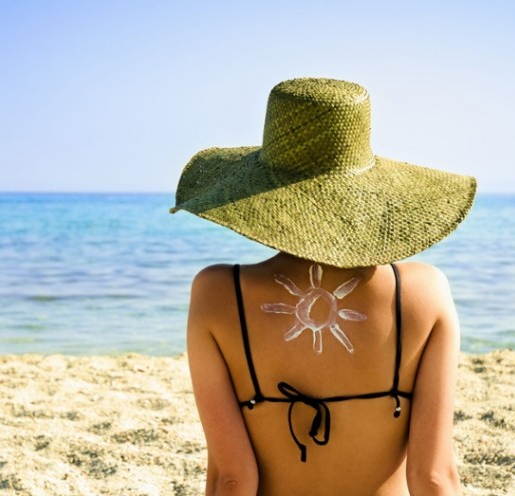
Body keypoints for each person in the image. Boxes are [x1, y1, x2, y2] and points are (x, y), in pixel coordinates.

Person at [170, 78, 476, 495]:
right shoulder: (424, 292)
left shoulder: (218, 293)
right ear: (369, 192)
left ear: (260, 194)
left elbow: (234, 478)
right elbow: (435, 477)